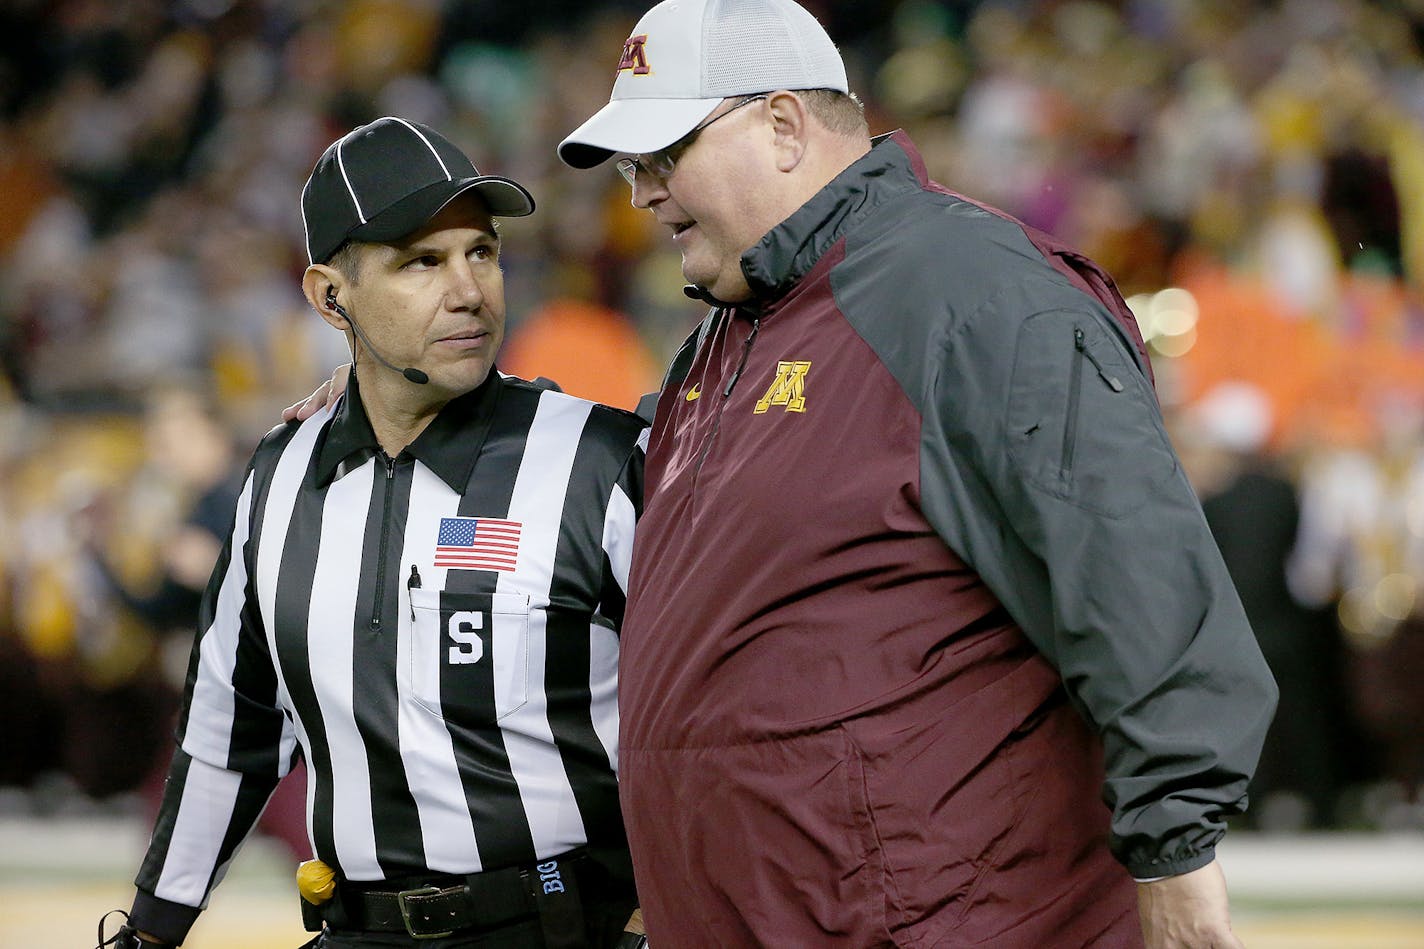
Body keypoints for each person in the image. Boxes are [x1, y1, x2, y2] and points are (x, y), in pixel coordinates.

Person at [556, 1, 1277, 946]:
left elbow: (1129, 562)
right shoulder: (729, 331)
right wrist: (386, 398)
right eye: (630, 167)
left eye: (663, 155)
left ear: (782, 125)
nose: (642, 193)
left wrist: (1175, 844)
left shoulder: (970, 288)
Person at [101, 116, 647, 949]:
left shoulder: (601, 459)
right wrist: (150, 931)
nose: (469, 289)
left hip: (568, 924)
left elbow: (708, 716)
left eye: (484, 251)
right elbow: (231, 728)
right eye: (422, 261)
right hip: (355, 928)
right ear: (330, 296)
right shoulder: (279, 474)